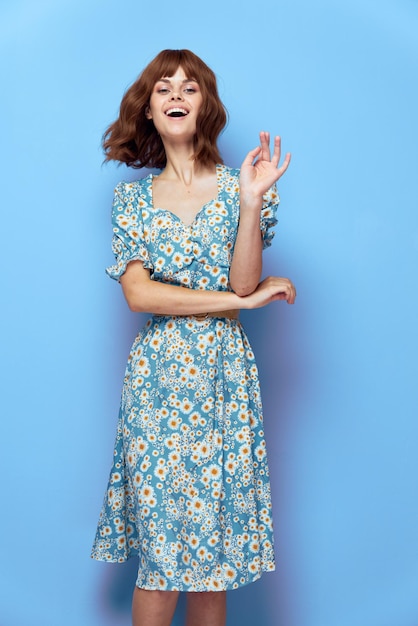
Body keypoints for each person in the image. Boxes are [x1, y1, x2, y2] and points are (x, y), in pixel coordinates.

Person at [91, 49, 296, 626]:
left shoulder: (241, 187)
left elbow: (246, 278)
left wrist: (252, 202)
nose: (176, 95)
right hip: (158, 379)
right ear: (149, 110)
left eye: (190, 87)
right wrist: (238, 303)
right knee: (162, 557)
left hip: (224, 375)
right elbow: (141, 295)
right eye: (163, 88)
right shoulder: (131, 200)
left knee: (213, 556)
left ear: (205, 106)